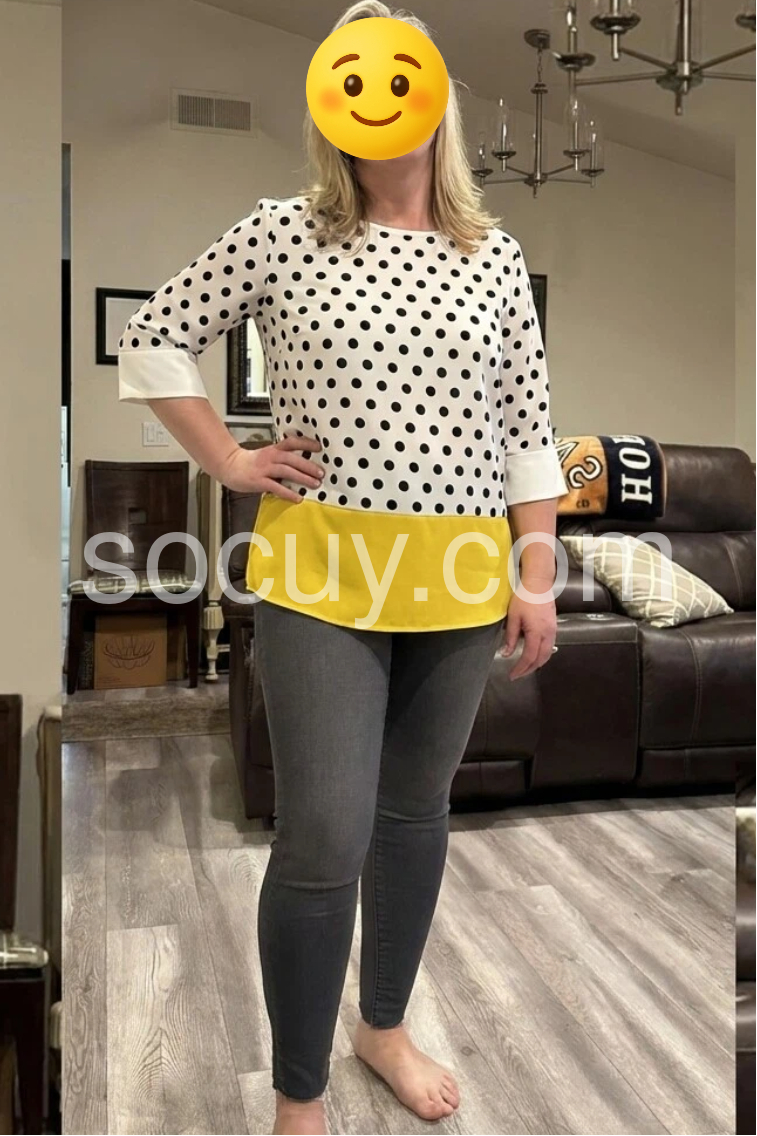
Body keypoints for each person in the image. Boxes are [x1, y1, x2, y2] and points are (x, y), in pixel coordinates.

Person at [118, 4, 567, 1132]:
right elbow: (154, 336)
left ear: (435, 97)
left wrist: (535, 574)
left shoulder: (492, 256)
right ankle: (299, 1094)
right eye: (354, 78)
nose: (379, 98)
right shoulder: (283, 233)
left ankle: (384, 1026)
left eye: (399, 75)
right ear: (331, 101)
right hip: (321, 579)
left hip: (459, 583)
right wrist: (228, 457)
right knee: (321, 834)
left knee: (413, 814)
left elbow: (526, 429)